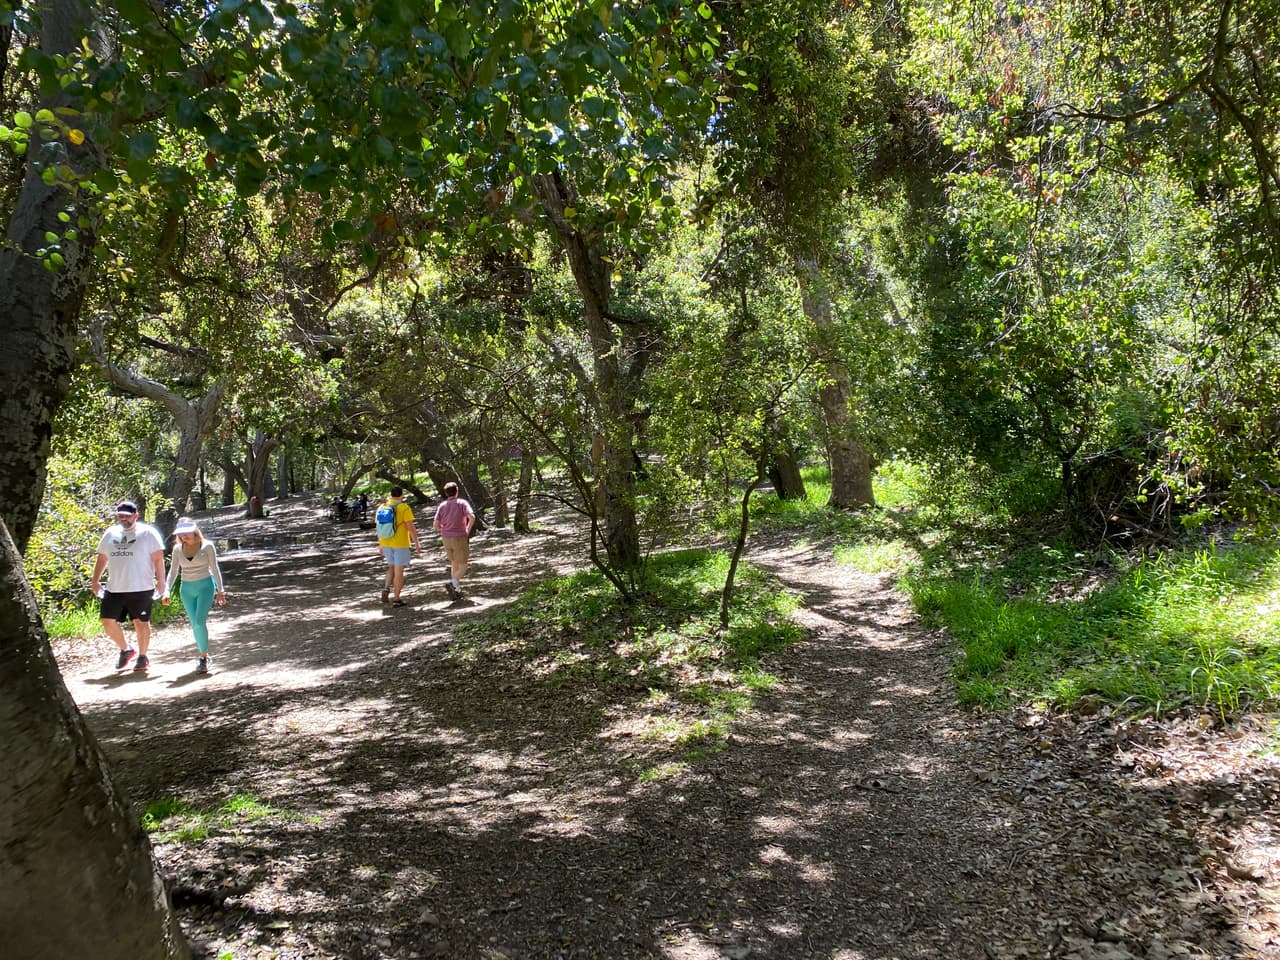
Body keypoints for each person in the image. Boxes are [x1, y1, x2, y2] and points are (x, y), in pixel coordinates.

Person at [90, 500, 166, 672]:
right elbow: (102, 558)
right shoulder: (111, 533)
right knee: (107, 621)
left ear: (136, 515)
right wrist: (95, 580)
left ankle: (143, 656)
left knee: (140, 622)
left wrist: (161, 581)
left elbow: (158, 559)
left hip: (141, 586)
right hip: (115, 587)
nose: (123, 519)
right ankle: (126, 650)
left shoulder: (148, 533)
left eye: (127, 516)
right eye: (120, 516)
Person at [162, 516, 226, 675]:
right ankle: (204, 655)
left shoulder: (207, 546)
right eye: (181, 533)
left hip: (205, 586)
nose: (184, 536)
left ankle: (203, 657)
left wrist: (220, 590)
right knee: (195, 624)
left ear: (195, 531)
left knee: (199, 621)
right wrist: (166, 590)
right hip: (186, 589)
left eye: (187, 532)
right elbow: (173, 571)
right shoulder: (177, 549)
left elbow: (215, 568)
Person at [376, 486, 421, 607]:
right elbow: (410, 527)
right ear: (401, 495)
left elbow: (379, 527)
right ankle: (396, 598)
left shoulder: (382, 507)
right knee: (399, 570)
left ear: (391, 495)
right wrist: (416, 543)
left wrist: (380, 544)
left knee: (391, 567)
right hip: (400, 543)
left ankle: (386, 588)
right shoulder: (403, 507)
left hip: (386, 542)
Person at [432, 481, 475, 600]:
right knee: (463, 565)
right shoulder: (462, 503)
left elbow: (435, 525)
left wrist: (443, 530)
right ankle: (453, 583)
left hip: (446, 538)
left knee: (454, 563)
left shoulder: (442, 505)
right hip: (459, 537)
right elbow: (472, 517)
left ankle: (457, 590)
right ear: (457, 491)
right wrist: (467, 530)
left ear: (446, 493)